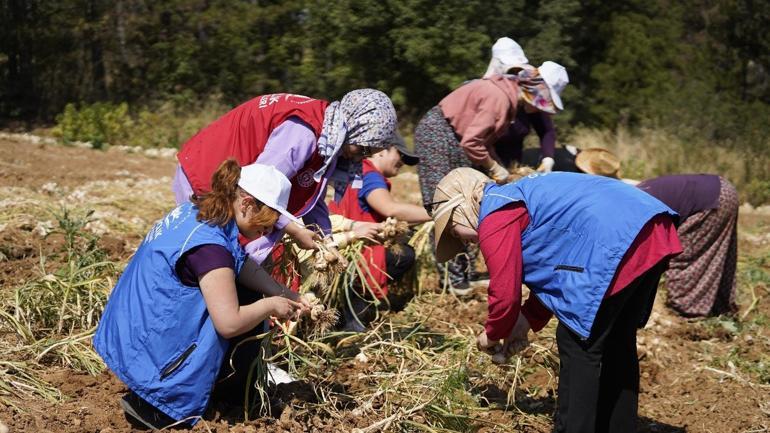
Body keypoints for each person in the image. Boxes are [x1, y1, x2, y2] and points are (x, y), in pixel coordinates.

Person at [431, 168, 682, 433]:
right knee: (617, 339)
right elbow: (560, 277)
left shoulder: (494, 214)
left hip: (618, 239)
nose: (463, 241)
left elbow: (505, 294)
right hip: (649, 227)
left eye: (454, 231)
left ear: (464, 204)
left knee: (576, 342)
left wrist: (492, 334)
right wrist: (525, 321)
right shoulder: (516, 198)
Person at [94, 161, 308, 429]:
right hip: (148, 347)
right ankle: (168, 402)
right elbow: (229, 323)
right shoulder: (211, 248)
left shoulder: (200, 212)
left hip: (127, 328)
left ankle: (223, 394)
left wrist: (286, 293)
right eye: (266, 221)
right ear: (247, 203)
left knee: (247, 293)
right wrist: (271, 305)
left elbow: (239, 262)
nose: (267, 231)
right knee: (248, 306)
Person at [173, 89, 397, 264]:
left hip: (238, 189)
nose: (360, 157)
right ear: (355, 128)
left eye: (369, 153)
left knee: (234, 264)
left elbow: (313, 196)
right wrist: (296, 231)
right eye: (363, 148)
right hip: (206, 175)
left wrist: (327, 243)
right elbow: (259, 189)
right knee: (205, 257)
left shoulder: (330, 136)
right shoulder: (305, 133)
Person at [414, 61, 568, 291]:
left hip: (457, 137)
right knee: (446, 202)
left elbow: (483, 140)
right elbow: (472, 142)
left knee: (469, 202)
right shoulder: (499, 98)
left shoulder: (508, 99)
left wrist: (496, 165)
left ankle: (464, 273)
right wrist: (494, 166)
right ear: (536, 92)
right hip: (439, 133)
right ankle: (451, 279)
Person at [328, 133, 431, 330]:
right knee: (404, 255)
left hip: (341, 244)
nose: (402, 162)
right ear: (382, 150)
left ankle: (348, 310)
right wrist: (434, 213)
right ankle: (357, 308)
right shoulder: (371, 176)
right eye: (400, 154)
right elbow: (389, 209)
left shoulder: (356, 170)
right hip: (357, 253)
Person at [637, 174, 739, 316]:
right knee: (717, 254)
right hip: (723, 190)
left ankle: (686, 308)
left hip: (711, 200)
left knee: (682, 254)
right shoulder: (640, 190)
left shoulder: (635, 203)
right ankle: (719, 306)